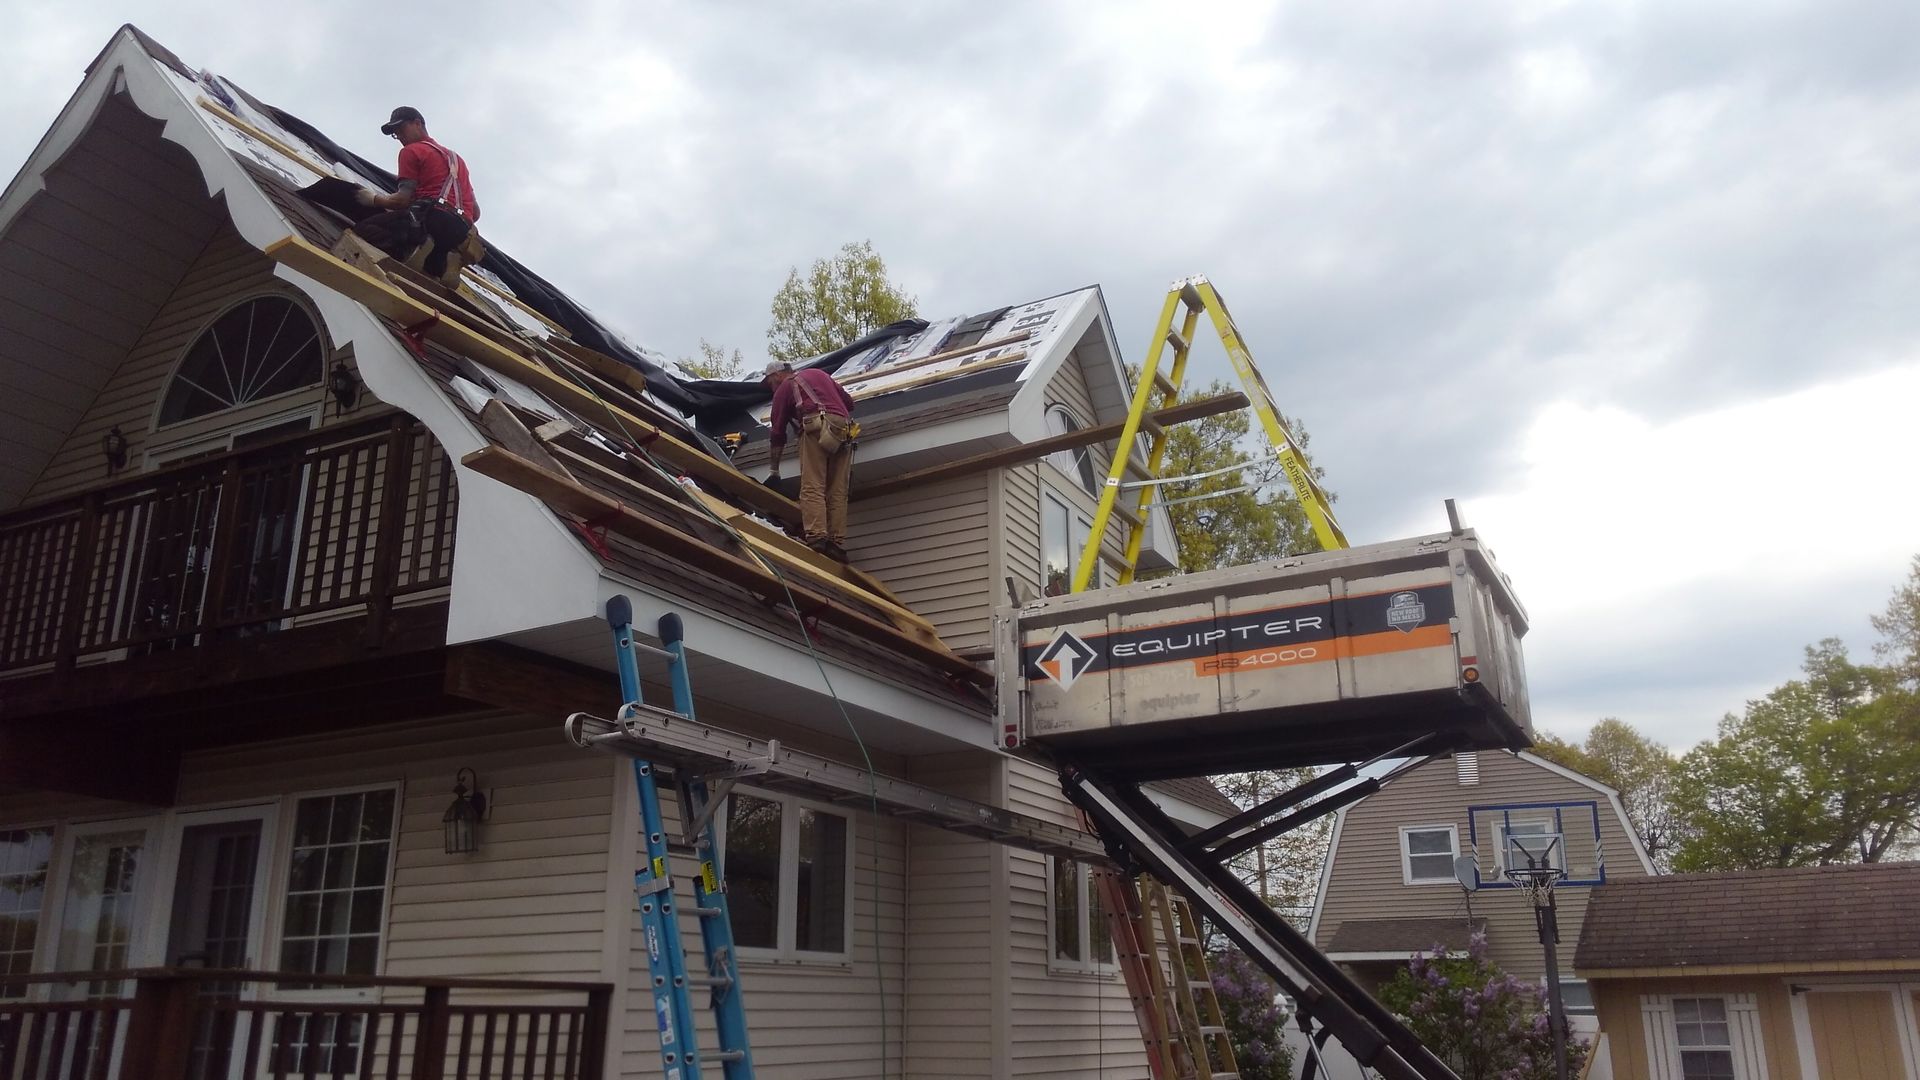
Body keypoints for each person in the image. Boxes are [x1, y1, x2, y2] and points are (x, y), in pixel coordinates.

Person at [350, 106, 484, 286]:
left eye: (401, 129)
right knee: (432, 264)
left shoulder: (412, 151)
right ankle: (445, 262)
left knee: (363, 230)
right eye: (395, 134)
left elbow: (402, 200)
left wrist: (373, 199)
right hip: (460, 231)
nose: (399, 136)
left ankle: (414, 247)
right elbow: (475, 213)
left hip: (431, 219)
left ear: (417, 123)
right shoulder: (457, 160)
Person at [764, 360, 857, 561]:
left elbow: (777, 432)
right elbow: (849, 403)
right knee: (837, 489)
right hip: (843, 429)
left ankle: (817, 536)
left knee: (812, 484)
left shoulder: (785, 387)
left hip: (817, 426)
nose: (771, 387)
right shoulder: (819, 374)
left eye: (770, 382)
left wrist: (774, 470)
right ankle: (836, 541)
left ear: (777, 375)